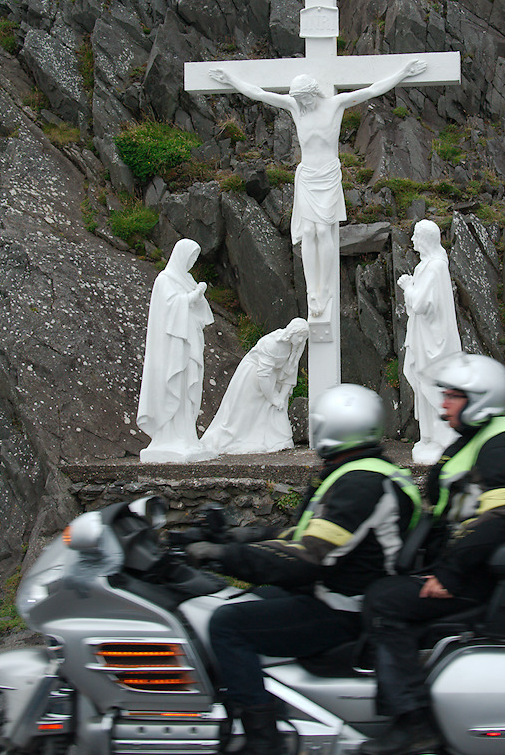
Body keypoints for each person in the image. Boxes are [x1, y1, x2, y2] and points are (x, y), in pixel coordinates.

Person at [186, 384, 421, 755]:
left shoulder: (361, 483)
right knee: (240, 599)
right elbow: (303, 535)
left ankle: (263, 740)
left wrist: (221, 555)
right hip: (339, 591)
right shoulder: (360, 471)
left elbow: (306, 558)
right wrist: (236, 537)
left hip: (345, 606)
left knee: (226, 625)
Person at [359, 354, 505, 755]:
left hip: (475, 577)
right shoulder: (478, 440)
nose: (443, 404)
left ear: (479, 399)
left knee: (383, 602)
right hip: (461, 565)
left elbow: (497, 517)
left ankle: (412, 721)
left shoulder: (501, 444)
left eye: (452, 396)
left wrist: (449, 574)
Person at [209, 59, 426, 319]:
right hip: (308, 177)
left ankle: (324, 288)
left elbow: (372, 90)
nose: (303, 104)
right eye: (298, 99)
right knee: (309, 232)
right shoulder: (295, 108)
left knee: (324, 232)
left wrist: (402, 71)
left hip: (328, 176)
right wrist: (231, 80)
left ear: (313, 92)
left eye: (305, 98)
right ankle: (313, 291)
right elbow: (260, 94)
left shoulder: (335, 105)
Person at [136, 238, 215, 461]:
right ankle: (170, 436)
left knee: (190, 386)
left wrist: (197, 296)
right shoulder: (165, 280)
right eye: (189, 258)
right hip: (173, 347)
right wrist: (193, 296)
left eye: (194, 259)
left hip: (190, 340)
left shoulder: (187, 279)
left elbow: (202, 315)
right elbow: (169, 309)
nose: (191, 263)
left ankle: (187, 435)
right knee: (176, 385)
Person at [397, 220, 461, 464]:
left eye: (415, 236)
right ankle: (430, 437)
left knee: (431, 384)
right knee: (426, 386)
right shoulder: (431, 265)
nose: (412, 241)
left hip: (433, 342)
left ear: (425, 239)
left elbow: (421, 304)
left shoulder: (434, 268)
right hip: (427, 336)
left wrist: (407, 286)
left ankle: (442, 439)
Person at [201, 318, 309, 454]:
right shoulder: (271, 343)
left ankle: (276, 440)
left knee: (276, 410)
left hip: (273, 379)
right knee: (245, 411)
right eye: (299, 336)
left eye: (303, 337)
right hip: (253, 375)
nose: (300, 340)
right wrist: (273, 398)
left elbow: (290, 372)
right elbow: (263, 375)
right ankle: (238, 439)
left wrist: (280, 397)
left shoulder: (297, 346)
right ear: (290, 332)